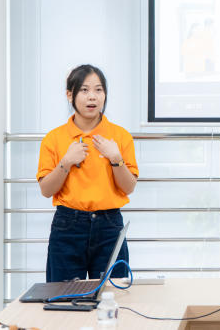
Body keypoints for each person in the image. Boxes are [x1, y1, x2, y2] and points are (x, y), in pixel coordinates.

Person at [37, 64, 138, 283]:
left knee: (113, 293)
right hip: (68, 225)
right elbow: (46, 190)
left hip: (109, 224)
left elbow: (129, 187)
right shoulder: (54, 139)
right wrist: (66, 162)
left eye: (98, 90)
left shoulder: (120, 136)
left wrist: (116, 158)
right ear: (69, 95)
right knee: (62, 295)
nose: (92, 96)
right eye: (84, 90)